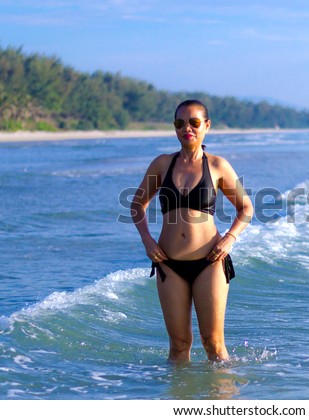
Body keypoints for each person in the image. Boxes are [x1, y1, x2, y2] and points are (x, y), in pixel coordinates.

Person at [131, 99, 253, 362]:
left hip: (210, 262)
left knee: (214, 344)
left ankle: (224, 399)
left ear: (206, 126)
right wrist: (147, 240)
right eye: (180, 123)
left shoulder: (217, 166)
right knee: (178, 345)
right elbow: (137, 205)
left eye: (194, 122)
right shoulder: (162, 165)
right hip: (169, 264)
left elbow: (247, 208)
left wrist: (230, 238)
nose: (187, 128)